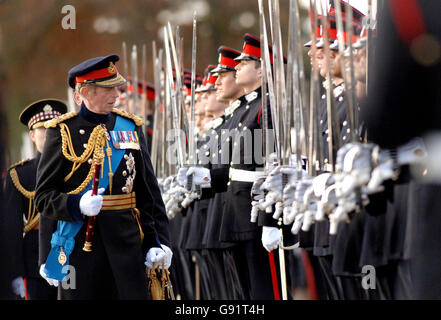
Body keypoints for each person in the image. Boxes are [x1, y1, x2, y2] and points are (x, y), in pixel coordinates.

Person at [34, 54, 171, 300]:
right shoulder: (62, 132)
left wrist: (156, 241)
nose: (116, 95)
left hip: (127, 244)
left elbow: (148, 193)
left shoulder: (130, 127)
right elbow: (44, 198)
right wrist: (76, 205)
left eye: (116, 87)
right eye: (107, 89)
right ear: (83, 93)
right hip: (80, 246)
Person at [2, 99, 67, 300]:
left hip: (74, 252)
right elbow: (11, 229)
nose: (49, 134)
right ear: (32, 135)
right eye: (42, 129)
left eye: (54, 127)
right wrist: (16, 273)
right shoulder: (20, 175)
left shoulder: (75, 168)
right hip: (36, 259)